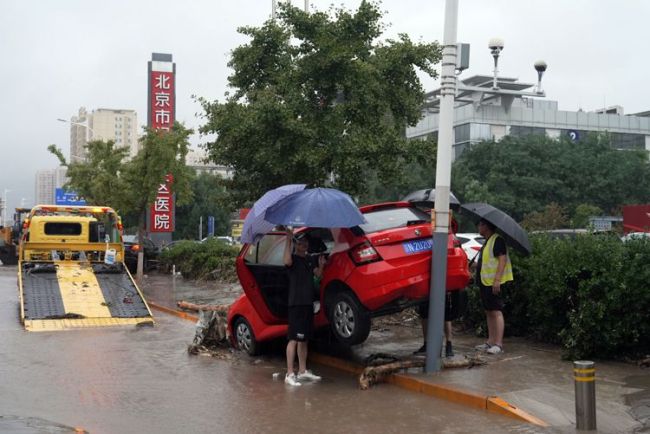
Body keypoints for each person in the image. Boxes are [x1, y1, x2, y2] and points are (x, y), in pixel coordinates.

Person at [283, 228, 326, 386]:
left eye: (306, 243)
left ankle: (302, 371)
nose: (304, 245)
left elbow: (318, 275)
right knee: (293, 338)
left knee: (304, 339)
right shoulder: (292, 259)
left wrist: (321, 265)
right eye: (301, 243)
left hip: (308, 303)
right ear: (296, 245)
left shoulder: (309, 259)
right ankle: (289, 373)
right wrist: (288, 239)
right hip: (296, 303)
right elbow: (286, 260)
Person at [473, 218, 513, 355]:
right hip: (485, 282)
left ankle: (498, 344)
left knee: (496, 311)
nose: (478, 227)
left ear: (486, 226)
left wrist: (497, 280)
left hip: (494, 283)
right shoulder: (488, 241)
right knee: (489, 311)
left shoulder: (497, 240)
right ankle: (490, 341)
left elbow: (502, 260)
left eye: (480, 224)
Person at [414, 289, 467, 357]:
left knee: (446, 316)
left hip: (443, 289)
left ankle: (448, 344)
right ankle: (426, 344)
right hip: (426, 289)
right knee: (424, 315)